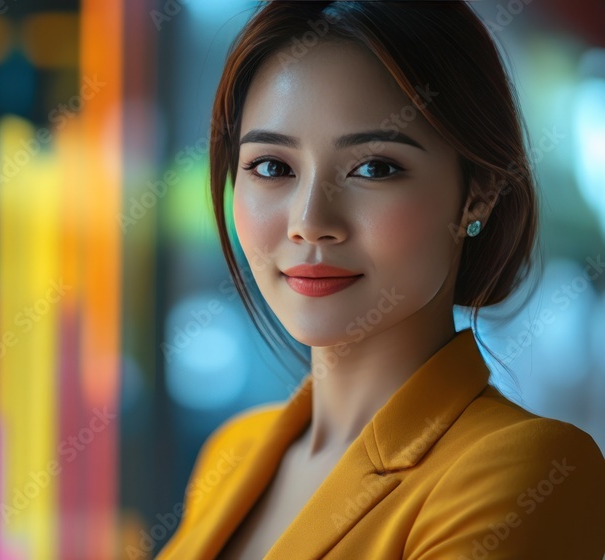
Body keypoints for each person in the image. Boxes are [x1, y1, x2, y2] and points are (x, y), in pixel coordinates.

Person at [157, 2, 605, 558]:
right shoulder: (232, 453)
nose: (308, 223)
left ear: (479, 191)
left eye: (374, 168)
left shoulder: (526, 469)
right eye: (273, 167)